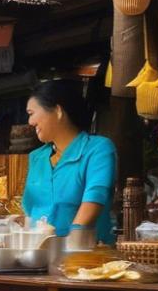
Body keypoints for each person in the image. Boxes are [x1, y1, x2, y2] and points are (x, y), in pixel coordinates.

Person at [23, 80, 117, 243]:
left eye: (31, 113)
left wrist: (72, 243)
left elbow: (94, 198)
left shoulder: (98, 149)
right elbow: (30, 212)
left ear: (58, 111)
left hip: (87, 255)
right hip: (39, 253)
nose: (30, 122)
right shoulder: (36, 158)